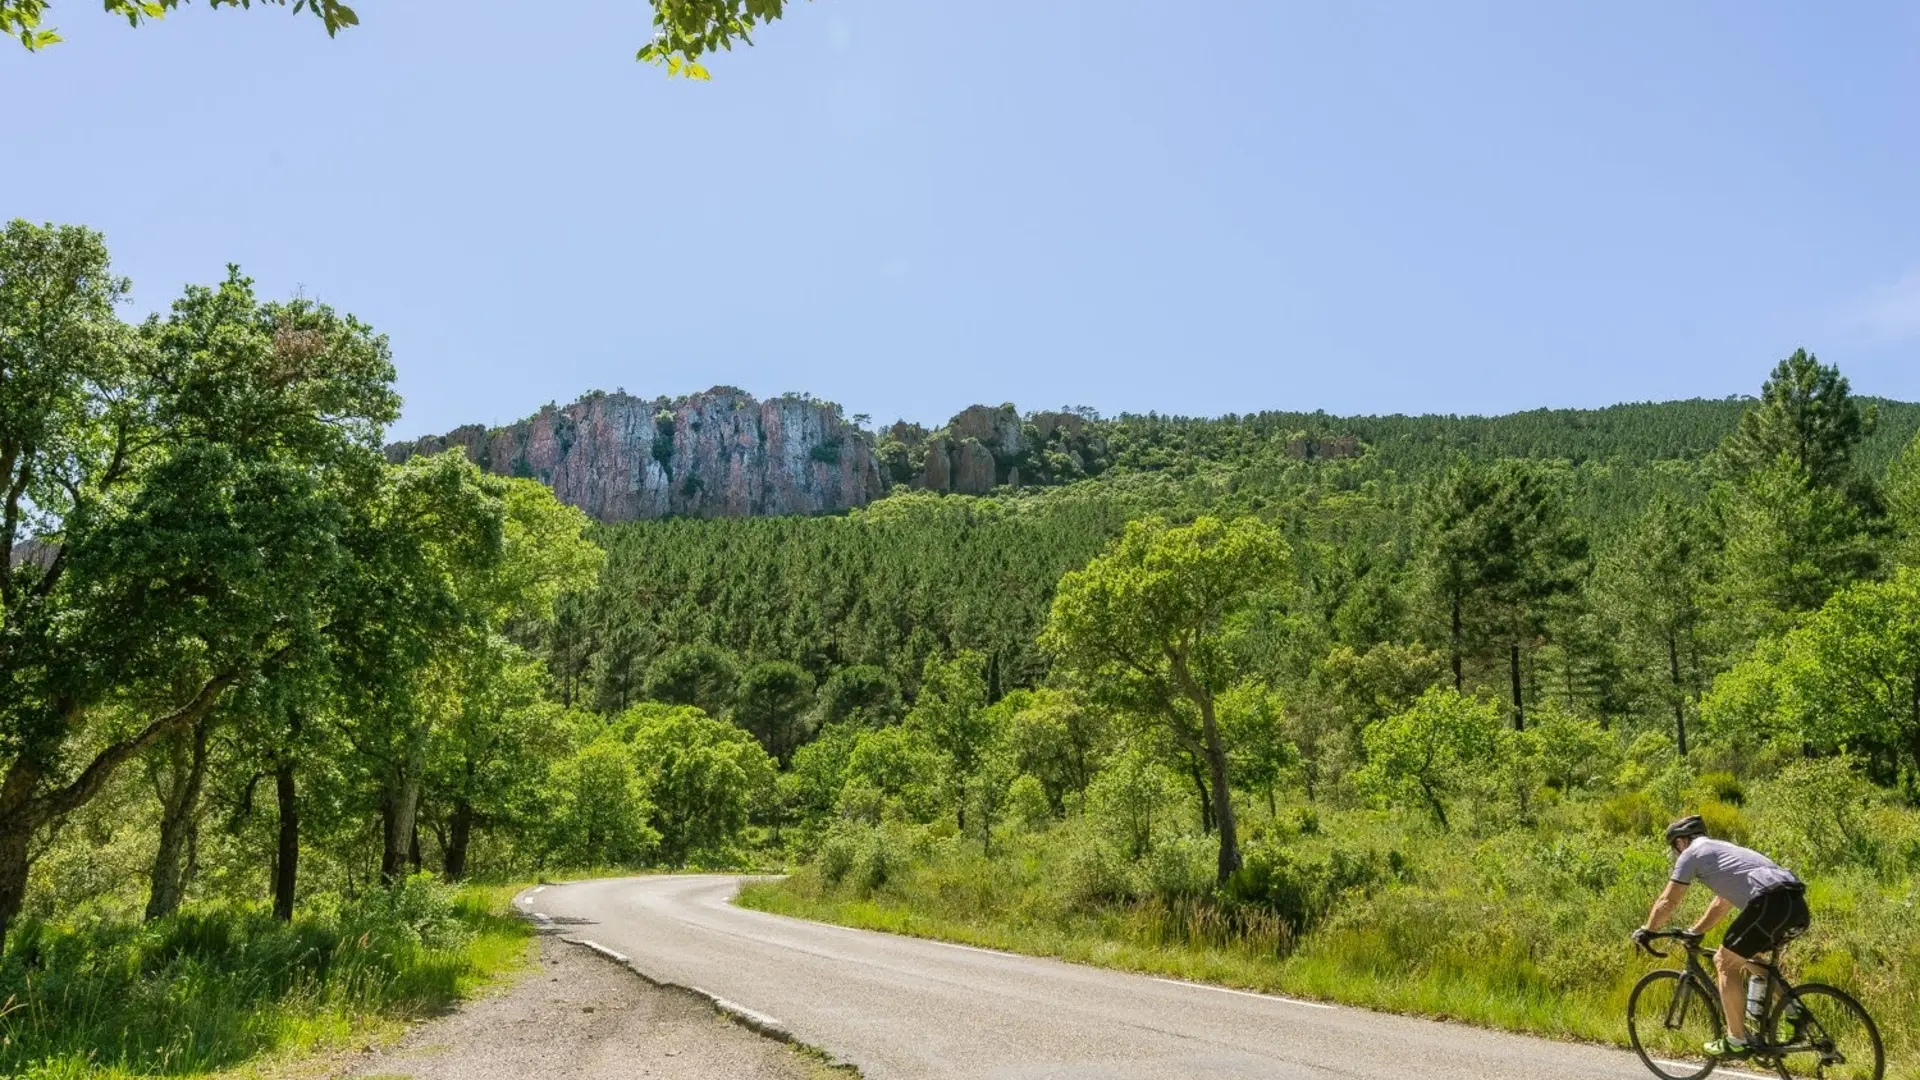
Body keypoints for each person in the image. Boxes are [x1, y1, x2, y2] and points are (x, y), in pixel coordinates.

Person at [1633, 815, 1810, 1058]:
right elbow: (1721, 903)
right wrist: (1696, 931)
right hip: (1796, 905)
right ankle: (1796, 1012)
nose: (1676, 852)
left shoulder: (1691, 853)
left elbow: (1669, 900)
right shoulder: (1725, 850)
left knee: (1723, 961)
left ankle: (1736, 1040)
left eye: (1674, 846)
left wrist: (1649, 929)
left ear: (1681, 841)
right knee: (1751, 958)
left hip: (1769, 902)